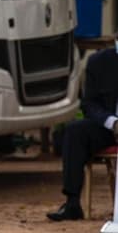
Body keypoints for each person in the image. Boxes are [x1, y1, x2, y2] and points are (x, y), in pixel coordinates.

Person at [47, 45, 118, 221]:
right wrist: (112, 122)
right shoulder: (99, 61)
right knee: (75, 131)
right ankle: (72, 203)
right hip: (110, 128)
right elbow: (89, 105)